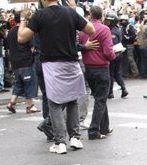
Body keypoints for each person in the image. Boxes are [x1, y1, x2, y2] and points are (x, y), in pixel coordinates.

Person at [18, 0, 95, 154]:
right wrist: (74, 10)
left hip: (52, 64)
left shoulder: (40, 15)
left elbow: (21, 37)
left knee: (55, 103)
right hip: (72, 63)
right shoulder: (70, 12)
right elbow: (90, 29)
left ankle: (60, 142)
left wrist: (23, 19)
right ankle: (75, 137)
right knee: (72, 100)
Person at [78, 6, 115, 141]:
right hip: (101, 67)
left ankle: (104, 127)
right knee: (100, 99)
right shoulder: (104, 29)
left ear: (90, 15)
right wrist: (113, 55)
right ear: (102, 16)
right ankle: (94, 130)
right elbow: (108, 51)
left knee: (100, 97)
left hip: (88, 67)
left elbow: (80, 46)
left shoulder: (83, 30)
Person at [5, 13, 39, 114]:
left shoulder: (10, 32)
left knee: (18, 83)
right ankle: (30, 106)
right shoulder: (26, 31)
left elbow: (8, 48)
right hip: (26, 61)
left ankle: (11, 102)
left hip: (15, 61)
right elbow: (32, 48)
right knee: (29, 83)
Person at [105, 11, 127, 99]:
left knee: (111, 73)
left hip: (115, 53)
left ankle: (110, 93)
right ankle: (123, 88)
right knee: (117, 73)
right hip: (118, 54)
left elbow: (112, 44)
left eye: (108, 20)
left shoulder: (112, 31)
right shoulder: (116, 29)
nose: (106, 21)